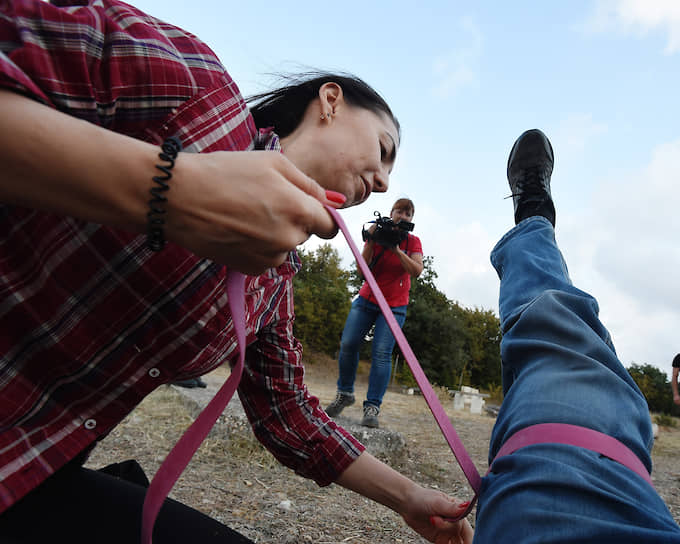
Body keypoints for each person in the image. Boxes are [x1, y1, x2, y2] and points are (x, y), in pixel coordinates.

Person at [0, 2, 472, 543]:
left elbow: (289, 416)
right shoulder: (193, 88)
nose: (385, 184)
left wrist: (410, 498)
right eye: (384, 151)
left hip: (35, 472)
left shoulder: (273, 282)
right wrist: (173, 191)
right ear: (332, 101)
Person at [470, 128, 680, 543]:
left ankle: (534, 219)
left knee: (564, 346)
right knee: (581, 370)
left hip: (559, 504)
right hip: (655, 426)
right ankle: (534, 221)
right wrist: (674, 391)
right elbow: (675, 375)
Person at [325, 198, 423, 428]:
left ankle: (372, 407)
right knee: (348, 343)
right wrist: (371, 239)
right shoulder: (377, 233)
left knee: (381, 352)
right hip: (368, 298)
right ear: (391, 213)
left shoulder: (413, 241)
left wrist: (396, 249)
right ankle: (345, 393)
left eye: (408, 213)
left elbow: (417, 270)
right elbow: (361, 268)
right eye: (399, 210)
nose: (403, 215)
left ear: (411, 219)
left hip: (394, 305)